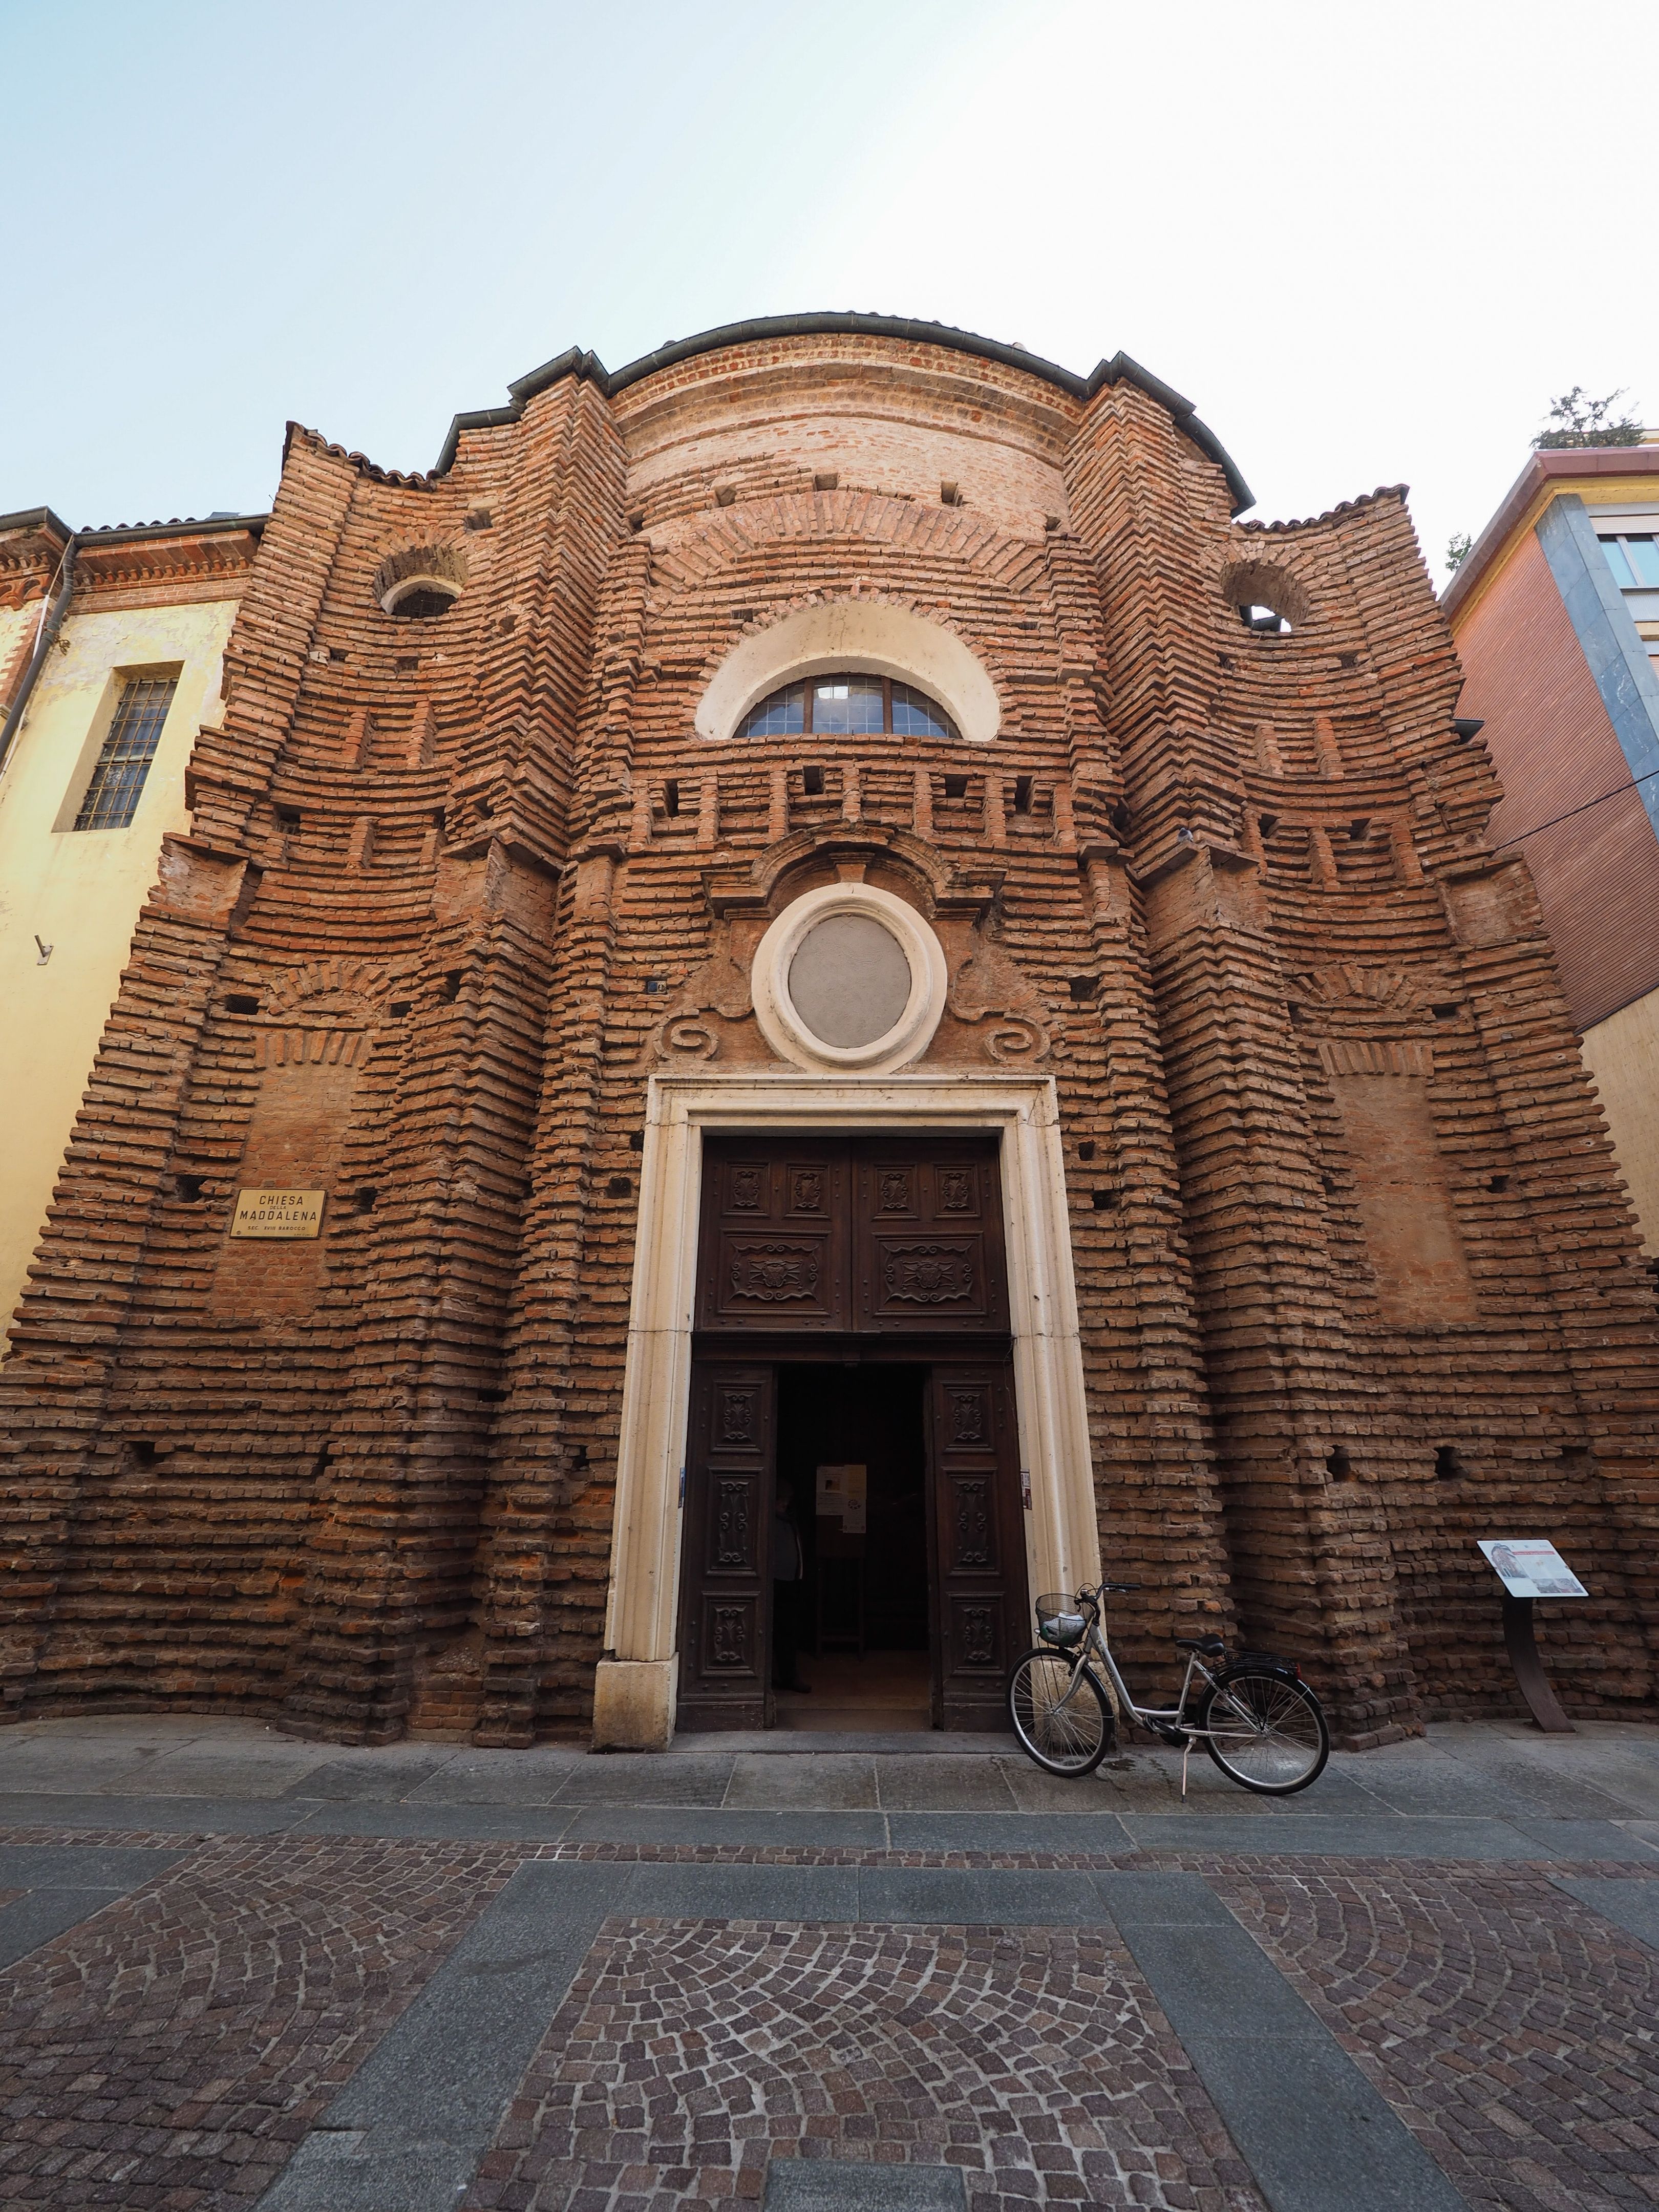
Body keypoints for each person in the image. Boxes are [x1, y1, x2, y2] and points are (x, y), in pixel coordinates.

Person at [772, 1480, 810, 1693]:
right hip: (775, 1583)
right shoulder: (771, 1521)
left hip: (790, 1582)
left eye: (787, 1500)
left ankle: (788, 1676)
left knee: (787, 1631)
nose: (784, 1504)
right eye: (780, 1499)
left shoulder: (789, 1521)